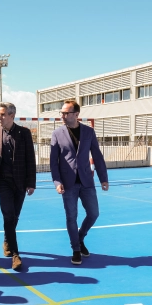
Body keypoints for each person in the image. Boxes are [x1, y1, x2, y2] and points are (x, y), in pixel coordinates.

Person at [50, 100, 109, 265]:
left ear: (76, 115)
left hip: (86, 181)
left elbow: (97, 156)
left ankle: (80, 237)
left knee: (94, 213)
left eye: (66, 113)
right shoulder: (57, 134)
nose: (62, 115)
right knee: (71, 217)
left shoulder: (89, 132)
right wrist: (57, 182)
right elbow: (53, 162)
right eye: (61, 113)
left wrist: (103, 178)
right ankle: (76, 249)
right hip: (67, 183)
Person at [0, 102, 36, 270]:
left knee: (15, 216)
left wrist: (31, 183)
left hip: (20, 182)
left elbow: (30, 160)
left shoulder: (25, 133)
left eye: (2, 114)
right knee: (8, 215)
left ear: (12, 116)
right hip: (3, 182)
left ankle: (7, 240)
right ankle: (15, 254)